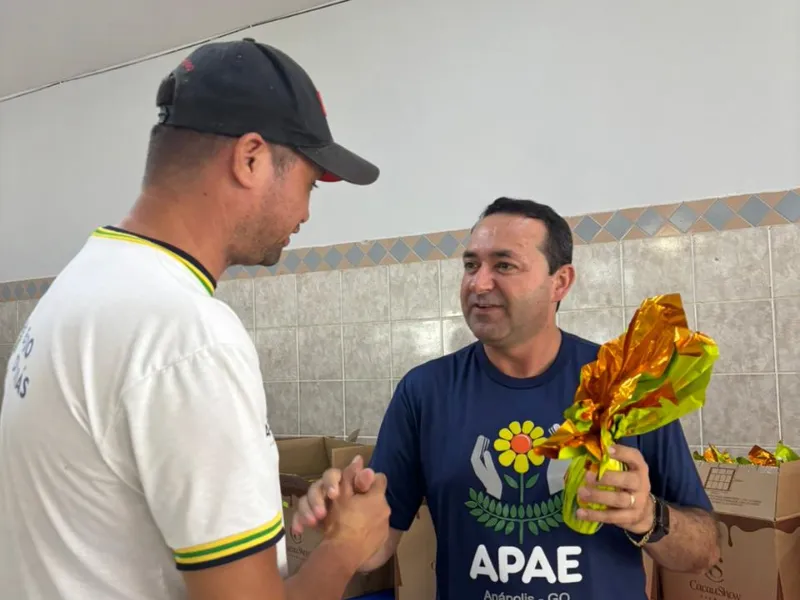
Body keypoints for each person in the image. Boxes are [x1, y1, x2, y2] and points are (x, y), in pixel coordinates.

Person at [0, 38, 391, 600]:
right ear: (251, 158)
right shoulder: (187, 335)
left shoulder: (81, 285)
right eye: (308, 184)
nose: (306, 212)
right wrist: (348, 546)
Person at [293, 198, 722, 599]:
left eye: (504, 265)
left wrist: (648, 517)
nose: (478, 282)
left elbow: (704, 552)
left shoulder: (623, 385)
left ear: (560, 282)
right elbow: (375, 550)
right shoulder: (425, 391)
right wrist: (341, 525)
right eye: (470, 265)